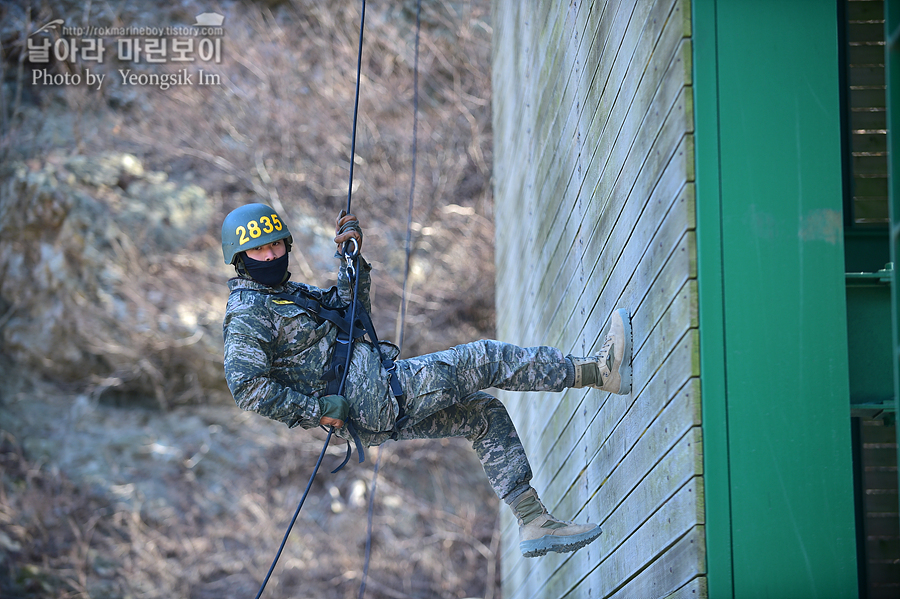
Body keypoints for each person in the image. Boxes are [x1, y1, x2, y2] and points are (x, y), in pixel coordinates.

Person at [221, 202, 633, 558]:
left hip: (374, 404)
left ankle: (534, 521)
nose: (272, 254)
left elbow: (351, 314)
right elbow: (247, 387)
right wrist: (315, 412)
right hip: (374, 397)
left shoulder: (284, 295)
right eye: (260, 249)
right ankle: (598, 371)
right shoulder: (247, 314)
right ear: (241, 258)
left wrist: (352, 260)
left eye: (276, 244)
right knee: (484, 359)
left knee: (481, 415)